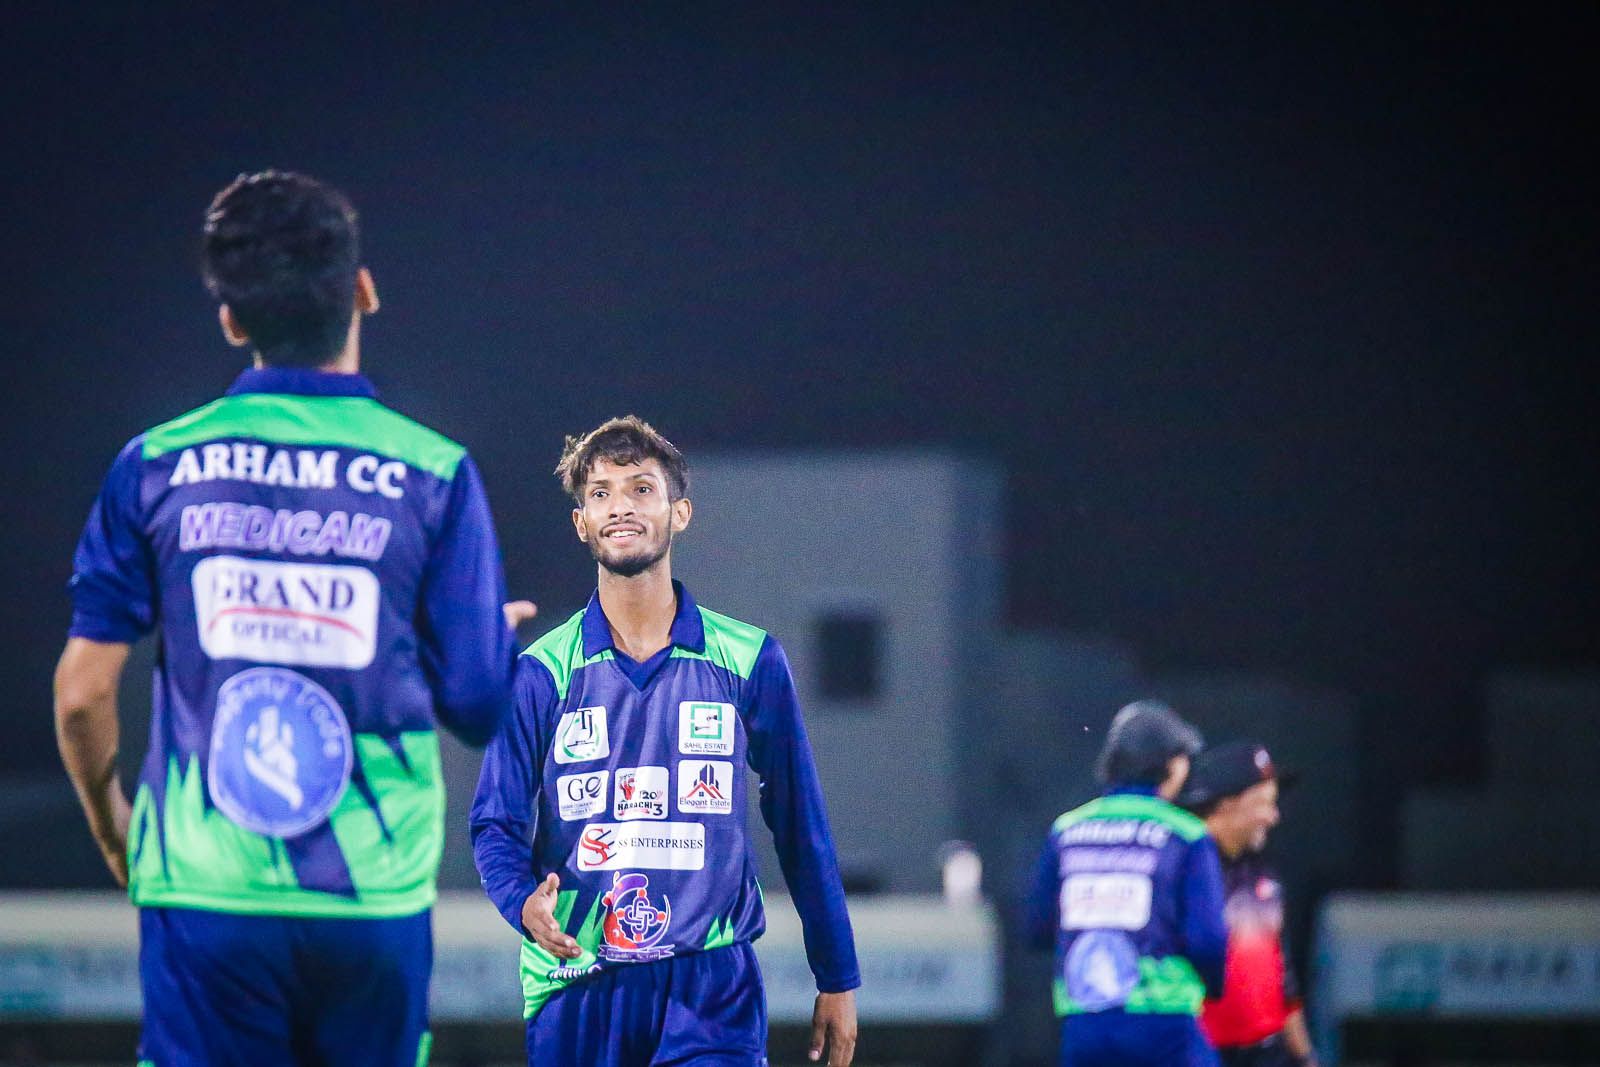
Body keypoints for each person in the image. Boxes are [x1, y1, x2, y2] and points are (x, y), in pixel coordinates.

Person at [52, 170, 519, 1065]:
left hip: (206, 893)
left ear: (233, 320)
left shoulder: (156, 463)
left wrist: (119, 833)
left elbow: (81, 694)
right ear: (363, 290)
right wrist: (478, 634)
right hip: (372, 899)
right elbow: (479, 702)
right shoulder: (434, 472)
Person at [471, 416, 860, 1067]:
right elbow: (494, 823)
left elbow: (801, 824)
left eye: (641, 489)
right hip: (577, 979)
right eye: (601, 493)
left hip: (711, 986)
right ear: (581, 524)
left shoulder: (750, 658)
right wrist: (522, 904)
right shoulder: (539, 672)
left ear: (680, 513)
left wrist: (837, 974)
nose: (620, 506)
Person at [1025, 700, 1229, 1067]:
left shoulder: (1067, 830)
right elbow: (1208, 940)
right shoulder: (1186, 834)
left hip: (1084, 1024)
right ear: (1171, 764)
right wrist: (1214, 986)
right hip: (1165, 1025)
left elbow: (1037, 928)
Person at [1180, 742, 1318, 1067]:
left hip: (1267, 1053)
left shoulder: (1263, 873)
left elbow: (1283, 976)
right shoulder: (1179, 868)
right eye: (1265, 803)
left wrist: (1305, 1057)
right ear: (1229, 804)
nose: (1274, 817)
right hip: (1199, 1052)